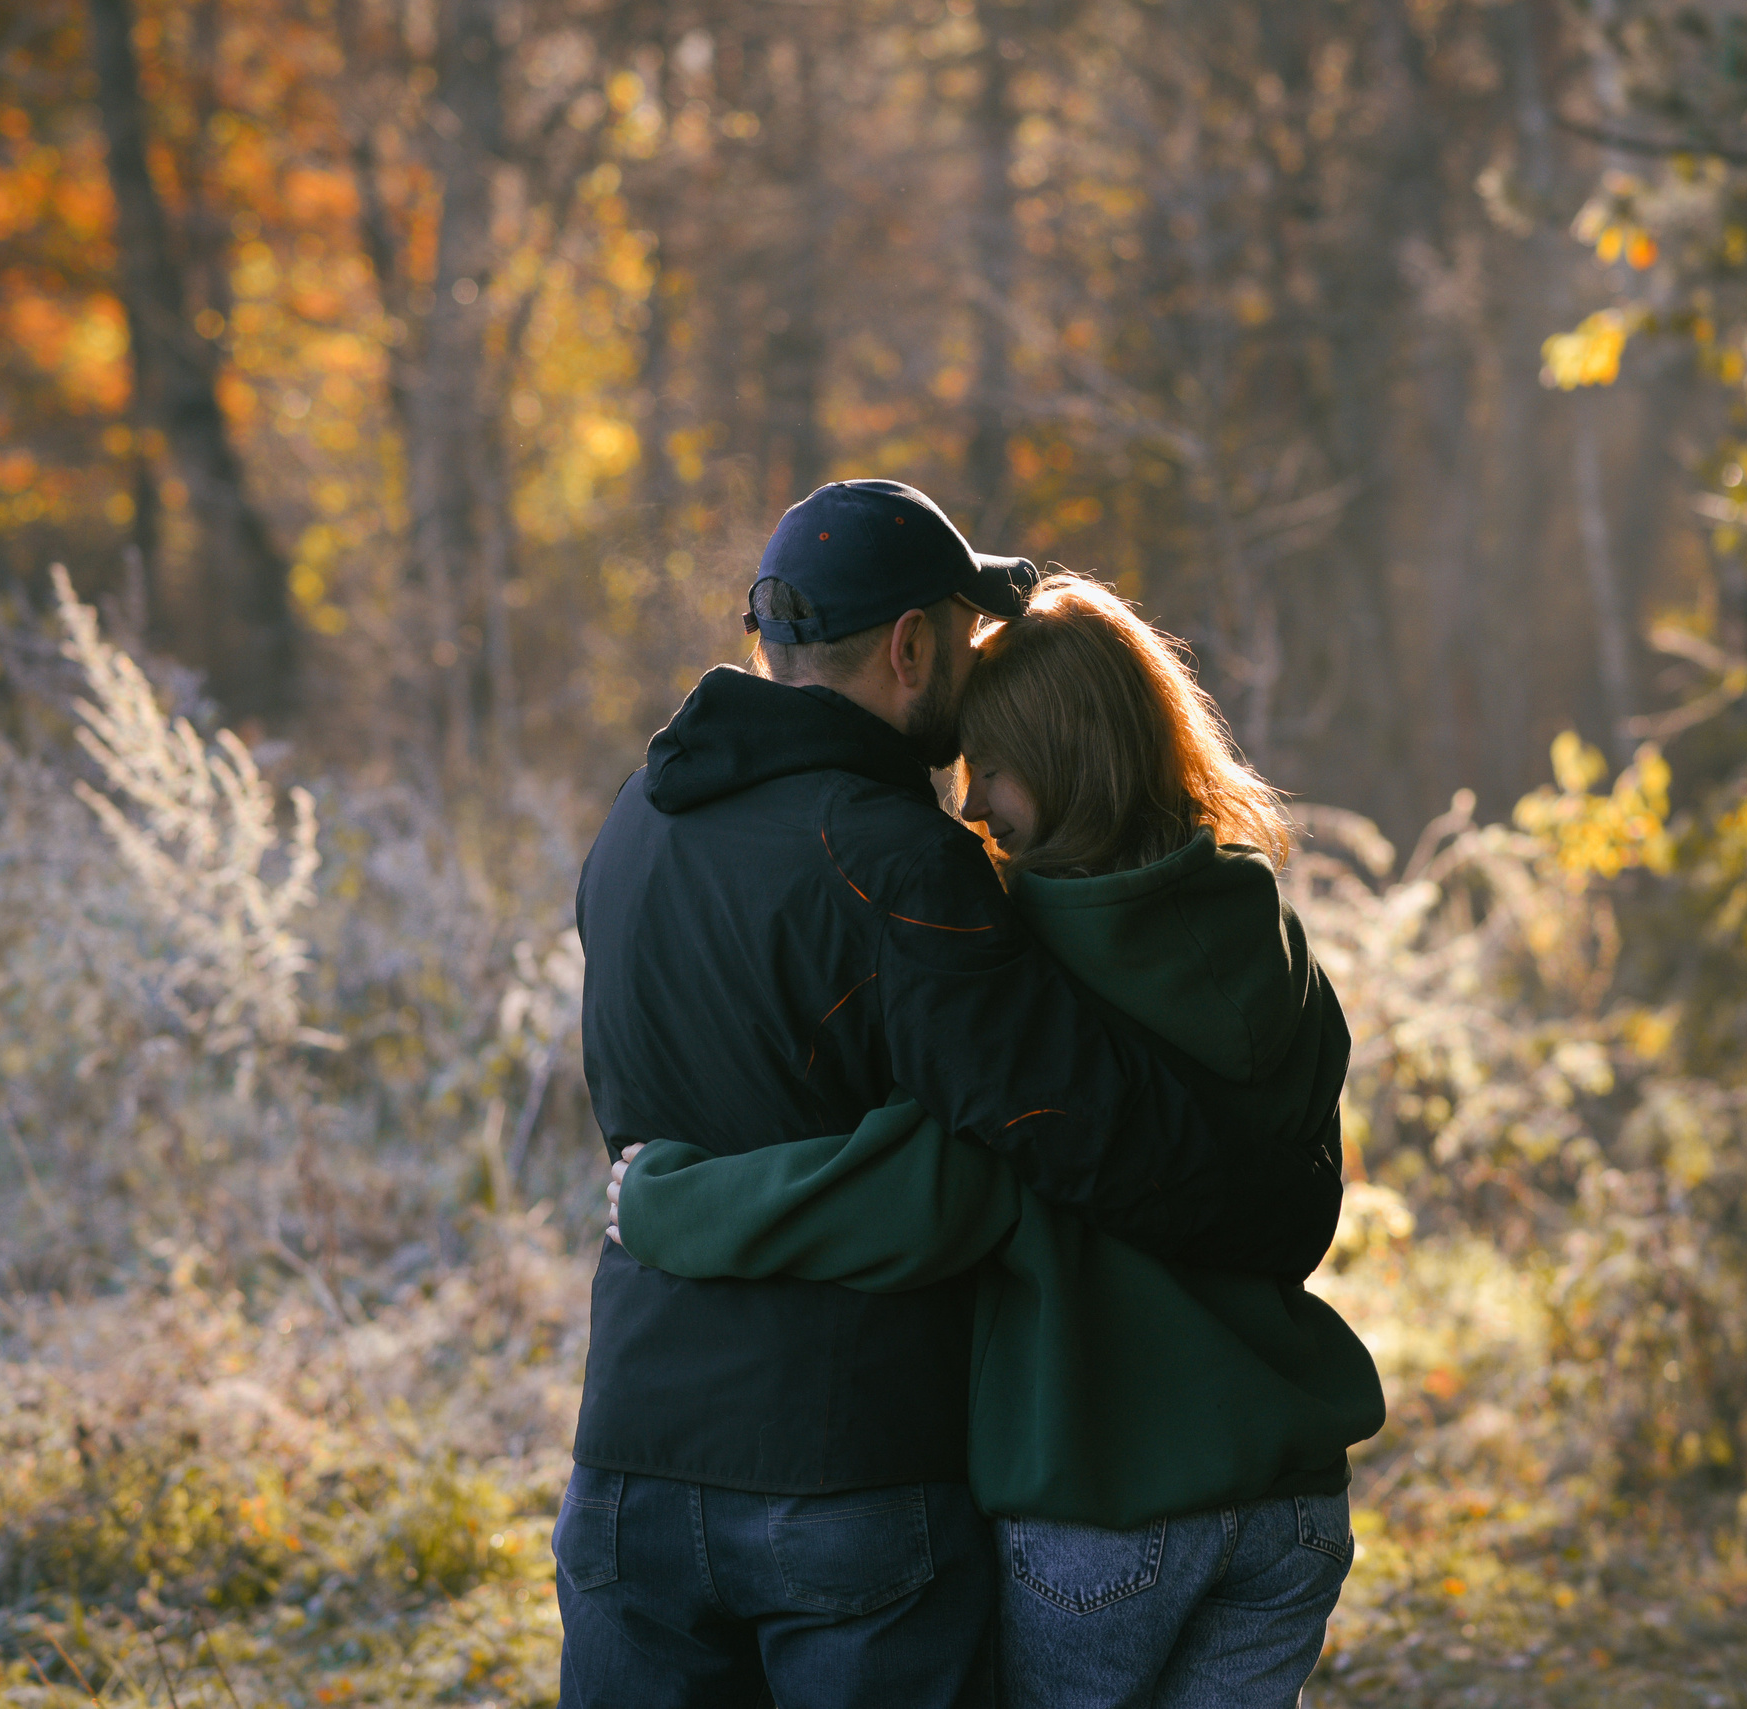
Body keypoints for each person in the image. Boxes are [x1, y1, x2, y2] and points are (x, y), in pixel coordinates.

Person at [556, 486, 1345, 1709]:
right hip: (847, 1464)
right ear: (912, 645)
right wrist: (1278, 1206)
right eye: (965, 637)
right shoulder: (896, 858)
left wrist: (664, 1200)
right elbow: (1047, 1138)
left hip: (625, 1464)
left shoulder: (628, 828)